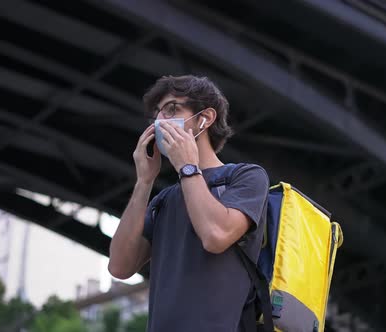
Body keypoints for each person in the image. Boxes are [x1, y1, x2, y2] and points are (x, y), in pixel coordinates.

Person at [108, 75, 269, 332]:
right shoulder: (164, 200)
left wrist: (187, 166)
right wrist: (144, 182)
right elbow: (120, 266)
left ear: (204, 119)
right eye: (157, 114)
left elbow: (216, 236)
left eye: (172, 109)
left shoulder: (245, 176)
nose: (161, 121)